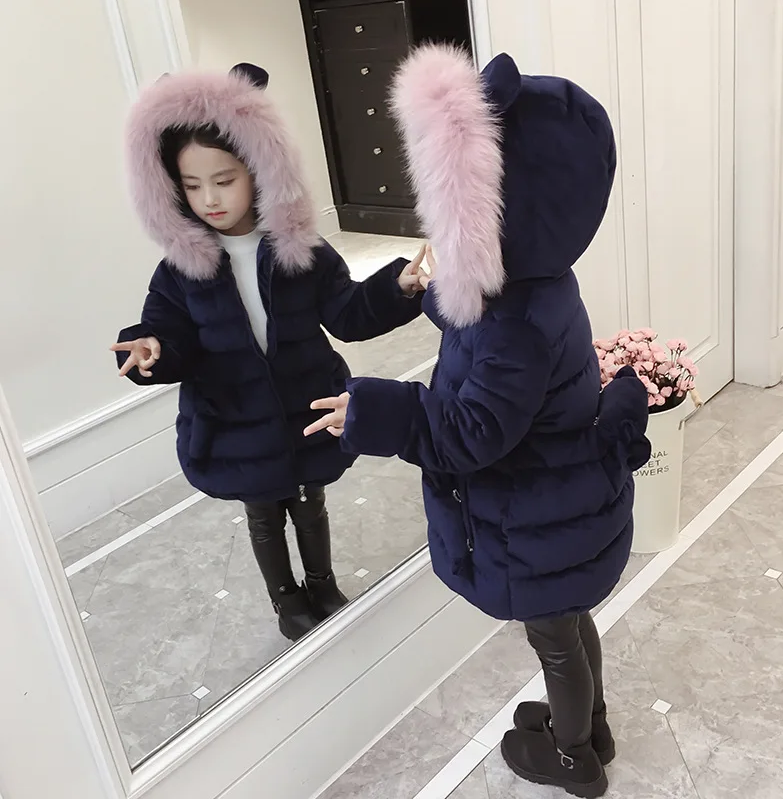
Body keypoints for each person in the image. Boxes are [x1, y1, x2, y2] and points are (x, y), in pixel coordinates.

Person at [305, 48, 651, 798]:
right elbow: (477, 330)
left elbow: (470, 433)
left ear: (506, 211)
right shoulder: (533, 284)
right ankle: (590, 724)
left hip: (532, 518)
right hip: (557, 505)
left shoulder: (515, 326)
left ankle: (573, 757)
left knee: (554, 636)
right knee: (567, 623)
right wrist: (429, 285)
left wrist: (377, 411)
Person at [113, 63, 427, 643]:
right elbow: (169, 333)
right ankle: (286, 599)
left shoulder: (299, 250)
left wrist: (397, 287)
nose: (210, 198)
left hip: (305, 407)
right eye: (192, 185)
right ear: (171, 187)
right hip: (234, 420)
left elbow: (347, 312)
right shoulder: (179, 269)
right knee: (262, 512)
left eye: (224, 179)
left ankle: (322, 584)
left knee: (310, 502)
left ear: (258, 171)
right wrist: (153, 348)